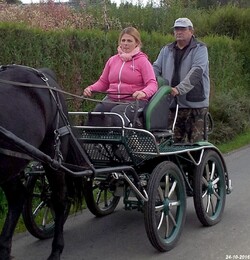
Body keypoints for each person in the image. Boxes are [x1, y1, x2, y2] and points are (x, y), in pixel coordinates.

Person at [83, 26, 158, 127]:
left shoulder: (143, 61)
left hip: (134, 102)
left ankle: (132, 140)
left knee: (117, 113)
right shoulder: (112, 60)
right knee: (96, 113)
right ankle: (96, 141)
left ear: (137, 43)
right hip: (112, 99)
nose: (125, 43)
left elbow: (152, 84)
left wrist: (143, 92)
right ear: (119, 43)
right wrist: (90, 88)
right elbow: (103, 82)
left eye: (129, 41)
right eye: (123, 40)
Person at [153, 17, 210, 143]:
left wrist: (179, 89)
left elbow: (197, 72)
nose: (179, 32)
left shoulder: (200, 49)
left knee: (197, 144)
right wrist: (149, 85)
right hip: (172, 105)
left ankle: (200, 162)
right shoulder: (166, 50)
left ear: (191, 31)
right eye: (176, 29)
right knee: (169, 143)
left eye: (182, 29)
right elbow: (155, 69)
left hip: (195, 105)